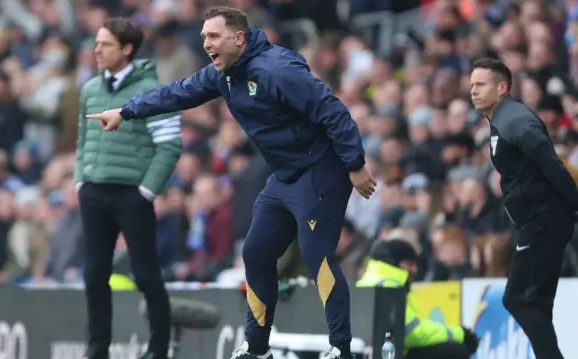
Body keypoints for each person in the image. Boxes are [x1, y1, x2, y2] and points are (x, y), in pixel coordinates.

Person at [87, 6, 376, 359]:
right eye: (203, 37)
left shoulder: (277, 69)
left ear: (238, 38)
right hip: (285, 176)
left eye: (213, 37)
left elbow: (332, 110)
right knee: (255, 253)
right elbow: (176, 92)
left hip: (321, 170)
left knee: (317, 255)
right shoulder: (222, 74)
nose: (205, 43)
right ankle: (256, 349)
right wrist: (125, 111)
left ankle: (341, 348)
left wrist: (355, 163)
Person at [75, 17, 183, 359]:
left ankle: (158, 348)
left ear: (127, 49)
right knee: (94, 275)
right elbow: (82, 141)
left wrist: (147, 191)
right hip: (94, 192)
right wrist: (81, 179)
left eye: (105, 44)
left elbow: (170, 144)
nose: (97, 50)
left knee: (146, 274)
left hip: (131, 195)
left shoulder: (152, 90)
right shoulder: (90, 89)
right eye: (96, 43)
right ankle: (97, 349)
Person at [470, 57, 578, 359]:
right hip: (540, 219)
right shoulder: (500, 119)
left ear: (502, 87)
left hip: (543, 220)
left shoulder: (515, 120)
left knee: (517, 299)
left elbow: (552, 164)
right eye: (471, 86)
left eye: (480, 85)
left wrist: (574, 204)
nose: (473, 91)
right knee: (538, 303)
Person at [356, 239, 479, 359]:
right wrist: (459, 333)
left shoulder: (363, 283)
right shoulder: (391, 287)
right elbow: (412, 333)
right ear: (397, 264)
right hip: (393, 354)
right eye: (410, 264)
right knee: (457, 350)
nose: (415, 269)